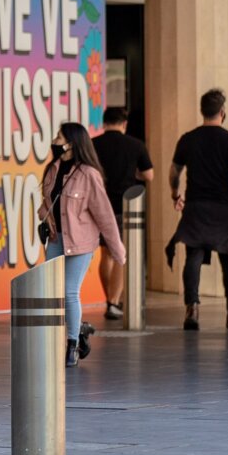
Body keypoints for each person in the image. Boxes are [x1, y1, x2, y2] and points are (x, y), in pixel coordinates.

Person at [167, 89, 228, 332]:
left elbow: (174, 172)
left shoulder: (188, 139)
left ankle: (192, 308)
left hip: (196, 206)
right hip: (224, 208)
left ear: (202, 110)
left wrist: (175, 194)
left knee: (193, 257)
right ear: (223, 112)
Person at [39, 122, 124, 368]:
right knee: (53, 292)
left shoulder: (89, 174)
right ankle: (80, 328)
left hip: (81, 242)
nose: (54, 140)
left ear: (71, 143)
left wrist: (117, 250)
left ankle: (72, 343)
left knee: (69, 291)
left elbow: (104, 215)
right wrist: (45, 213)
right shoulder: (52, 169)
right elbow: (46, 202)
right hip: (56, 239)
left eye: (58, 136)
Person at [90, 106, 152, 321]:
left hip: (98, 206)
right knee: (120, 255)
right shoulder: (135, 145)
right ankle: (113, 302)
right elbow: (149, 175)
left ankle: (111, 299)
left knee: (106, 254)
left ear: (104, 122)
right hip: (124, 206)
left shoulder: (92, 144)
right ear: (124, 123)